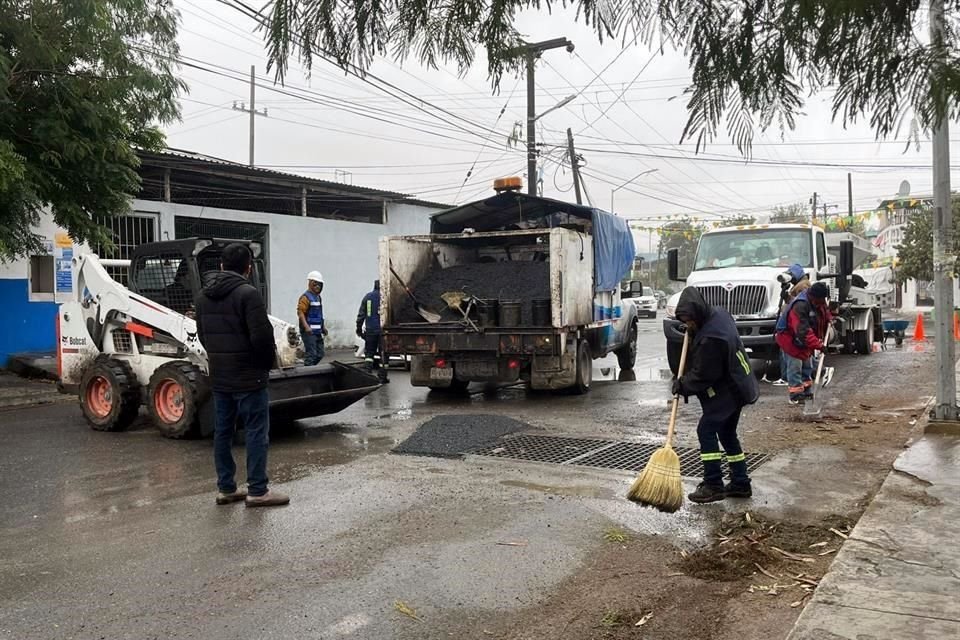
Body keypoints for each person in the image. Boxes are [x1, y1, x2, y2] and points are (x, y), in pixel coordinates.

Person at [195, 243, 289, 507]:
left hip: (221, 377)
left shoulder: (203, 297)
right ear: (248, 267)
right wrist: (263, 366)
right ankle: (258, 490)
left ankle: (227, 488)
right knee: (256, 431)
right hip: (249, 377)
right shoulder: (249, 295)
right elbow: (262, 337)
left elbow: (203, 335)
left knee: (223, 432)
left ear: (222, 266)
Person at [672, 286, 759, 504]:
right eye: (684, 320)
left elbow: (703, 375)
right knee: (728, 434)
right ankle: (740, 482)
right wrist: (693, 331)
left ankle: (713, 484)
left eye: (689, 320)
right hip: (739, 385)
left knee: (706, 431)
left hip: (729, 390)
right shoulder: (719, 314)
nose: (687, 324)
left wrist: (682, 385)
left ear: (698, 313)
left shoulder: (711, 338)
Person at [775, 281, 832, 405]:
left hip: (802, 339)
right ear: (813, 297)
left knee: (807, 365)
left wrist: (830, 319)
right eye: (820, 300)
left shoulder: (818, 301)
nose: (822, 303)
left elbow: (824, 311)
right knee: (795, 366)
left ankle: (806, 391)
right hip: (789, 338)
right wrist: (819, 345)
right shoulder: (800, 305)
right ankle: (795, 394)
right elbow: (803, 331)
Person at [356, 280, 388, 382]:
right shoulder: (387, 297)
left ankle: (368, 375)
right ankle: (382, 377)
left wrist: (359, 329)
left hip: (370, 330)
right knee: (384, 353)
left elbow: (361, 315)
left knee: (369, 354)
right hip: (384, 331)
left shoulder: (367, 297)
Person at [297, 271, 327, 366]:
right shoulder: (305, 298)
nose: (317, 286)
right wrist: (306, 327)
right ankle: (307, 372)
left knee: (320, 354)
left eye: (319, 284)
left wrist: (323, 327)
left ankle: (310, 368)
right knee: (312, 354)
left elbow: (319, 314)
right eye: (315, 284)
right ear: (310, 283)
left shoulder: (318, 298)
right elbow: (300, 313)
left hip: (317, 331)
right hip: (309, 332)